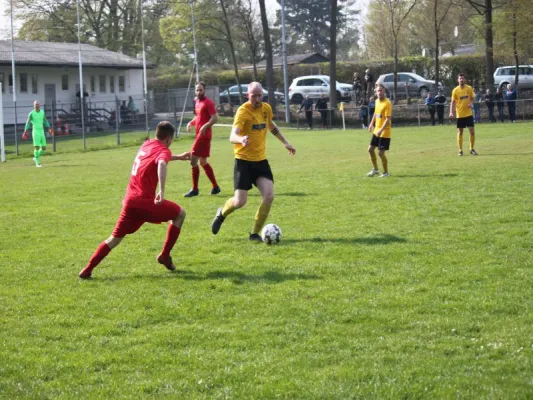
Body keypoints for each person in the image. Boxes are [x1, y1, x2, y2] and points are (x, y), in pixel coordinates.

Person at [78, 121, 191, 279]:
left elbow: (158, 157)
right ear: (168, 138)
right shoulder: (163, 151)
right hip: (145, 202)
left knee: (114, 238)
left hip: (129, 201)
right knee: (180, 214)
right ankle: (165, 255)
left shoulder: (147, 144)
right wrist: (162, 190)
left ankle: (87, 269)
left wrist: (179, 157)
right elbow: (161, 163)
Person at [210, 81, 296, 242]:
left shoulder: (266, 108)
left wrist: (285, 142)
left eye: (259, 95)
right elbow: (232, 136)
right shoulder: (243, 111)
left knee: (269, 196)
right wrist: (240, 139)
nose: (257, 98)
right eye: (253, 95)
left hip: (261, 161)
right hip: (243, 162)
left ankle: (255, 233)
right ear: (247, 95)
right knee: (240, 202)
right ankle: (221, 214)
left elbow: (271, 126)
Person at [184, 82, 221, 197]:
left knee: (193, 161)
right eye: (197, 90)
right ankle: (215, 187)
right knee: (203, 162)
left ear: (205, 90)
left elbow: (215, 118)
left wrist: (205, 126)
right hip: (201, 135)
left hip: (203, 136)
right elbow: (198, 117)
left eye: (201, 90)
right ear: (195, 91)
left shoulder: (208, 103)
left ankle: (195, 189)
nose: (199, 92)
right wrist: (191, 122)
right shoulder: (197, 102)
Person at [366, 84, 392, 178]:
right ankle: (375, 169)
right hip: (377, 130)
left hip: (385, 131)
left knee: (380, 153)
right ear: (376, 92)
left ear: (384, 91)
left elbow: (387, 119)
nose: (379, 92)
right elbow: (376, 114)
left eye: (381, 90)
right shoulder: (377, 101)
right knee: (370, 149)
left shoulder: (387, 103)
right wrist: (371, 124)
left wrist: (381, 130)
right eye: (378, 91)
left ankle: (385, 173)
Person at [449, 73, 478, 156]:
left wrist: (471, 103)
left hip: (469, 114)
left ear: (464, 80)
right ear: (458, 80)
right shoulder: (455, 90)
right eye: (460, 78)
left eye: (462, 78)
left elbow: (472, 98)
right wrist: (451, 112)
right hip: (460, 114)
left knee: (472, 132)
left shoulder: (469, 88)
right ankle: (460, 150)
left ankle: (472, 149)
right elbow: (453, 102)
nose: (461, 80)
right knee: (460, 132)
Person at [22, 100, 53, 167]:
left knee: (44, 148)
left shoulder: (42, 112)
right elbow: (28, 123)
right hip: (35, 132)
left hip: (41, 131)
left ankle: (35, 157)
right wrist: (25, 131)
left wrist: (49, 128)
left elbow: (45, 120)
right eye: (36, 104)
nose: (37, 105)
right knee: (37, 147)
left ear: (40, 105)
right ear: (33, 105)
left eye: (38, 104)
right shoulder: (31, 113)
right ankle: (37, 163)